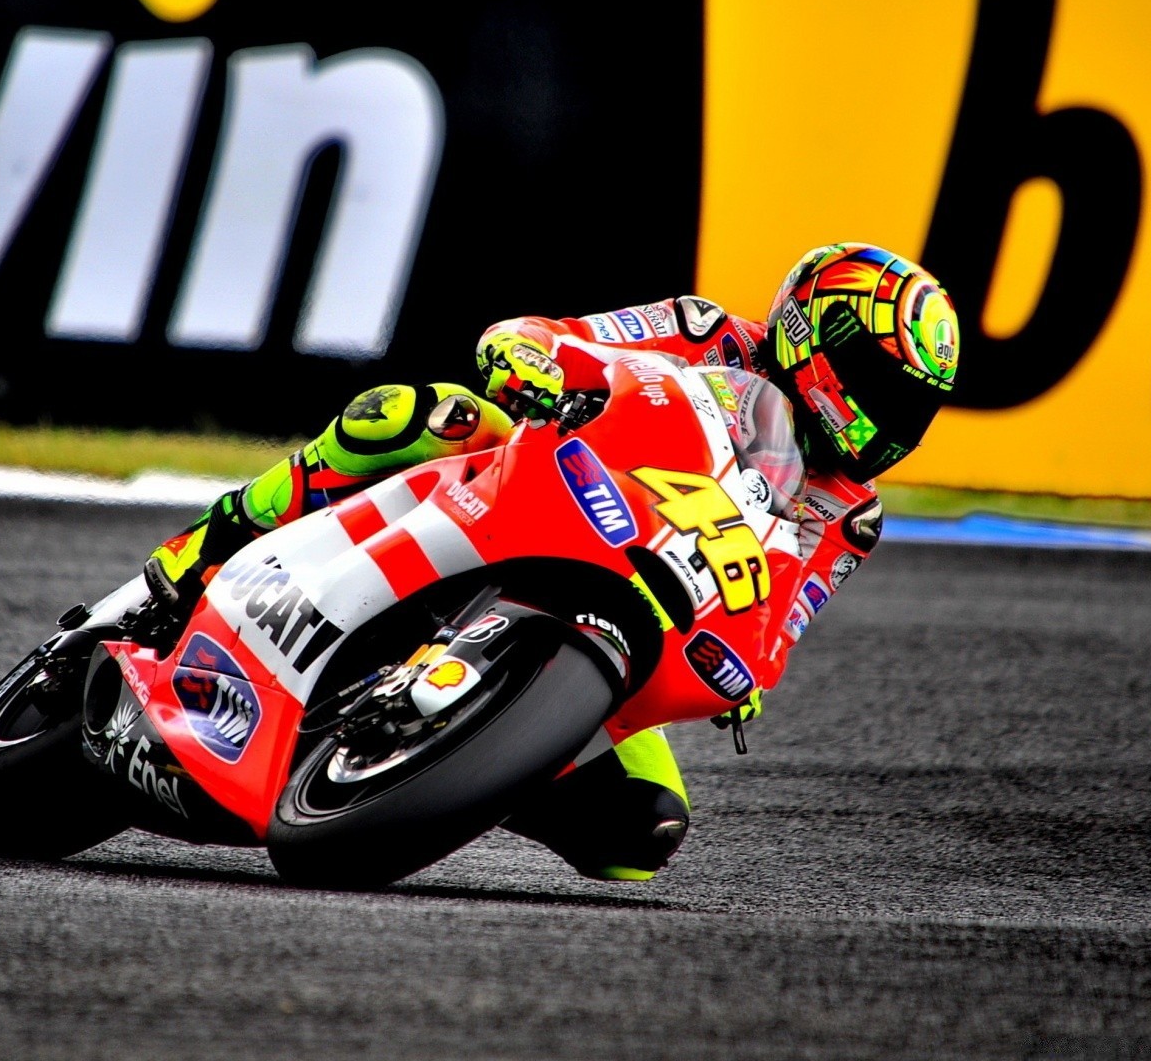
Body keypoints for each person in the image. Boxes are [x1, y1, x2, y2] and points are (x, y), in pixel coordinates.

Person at [138, 243, 961, 881]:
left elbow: (784, 617)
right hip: (542, 483)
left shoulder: (850, 513)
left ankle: (464, 760)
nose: (892, 418)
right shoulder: (705, 331)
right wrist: (531, 358)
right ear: (813, 336)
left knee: (642, 830)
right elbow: (557, 337)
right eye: (880, 386)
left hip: (644, 593)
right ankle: (209, 544)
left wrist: (748, 675)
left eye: (913, 406)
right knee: (422, 416)